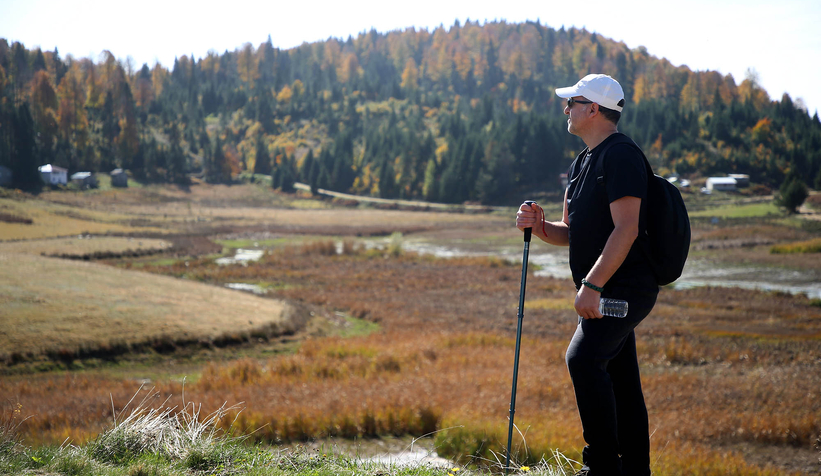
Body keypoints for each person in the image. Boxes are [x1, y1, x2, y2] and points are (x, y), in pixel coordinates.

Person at [516, 74, 658, 476]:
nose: (566, 109)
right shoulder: (581, 163)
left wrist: (591, 286)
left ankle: (601, 467)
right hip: (605, 287)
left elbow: (627, 229)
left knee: (582, 359)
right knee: (620, 378)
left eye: (572, 102)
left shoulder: (621, 156)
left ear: (593, 108)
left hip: (625, 288)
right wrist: (540, 227)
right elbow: (572, 233)